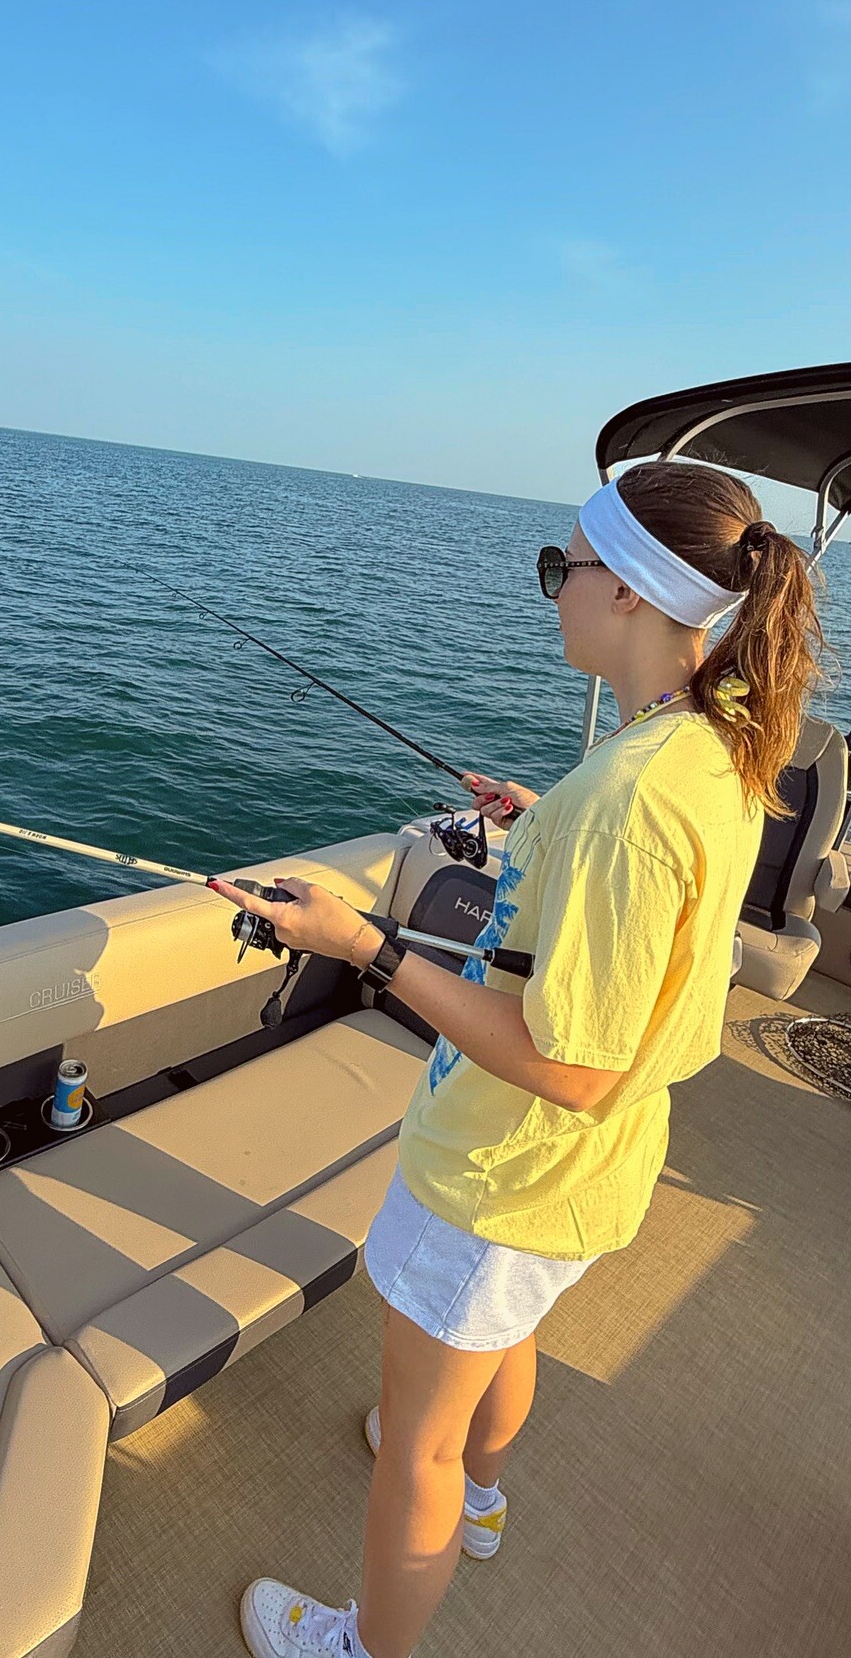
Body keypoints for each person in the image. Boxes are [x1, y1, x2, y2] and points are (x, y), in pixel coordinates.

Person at [214, 462, 825, 1658]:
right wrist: (542, 816)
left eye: (566, 567)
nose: (555, 589)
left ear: (632, 591)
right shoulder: (712, 742)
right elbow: (634, 902)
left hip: (504, 1174)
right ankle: (483, 1496)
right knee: (503, 1335)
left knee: (417, 1448)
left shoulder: (627, 802)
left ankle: (363, 1640)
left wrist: (363, 943)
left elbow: (570, 1063)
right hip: (583, 1177)